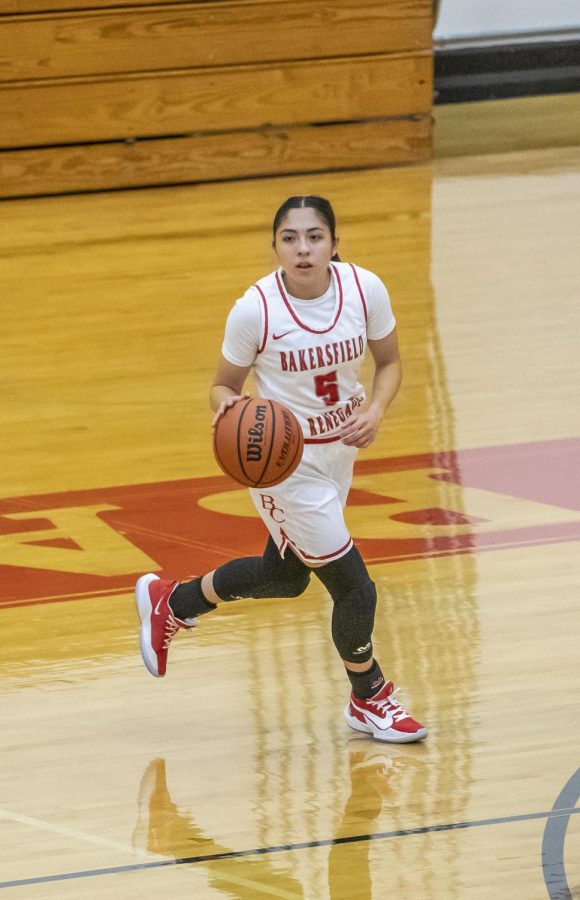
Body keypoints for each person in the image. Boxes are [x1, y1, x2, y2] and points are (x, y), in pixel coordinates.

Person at [135, 195, 428, 744]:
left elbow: (389, 363)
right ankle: (369, 697)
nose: (303, 248)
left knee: (286, 577)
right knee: (355, 589)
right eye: (290, 238)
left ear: (335, 244)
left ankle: (170, 602)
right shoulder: (256, 310)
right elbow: (223, 384)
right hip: (285, 466)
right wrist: (227, 406)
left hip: (339, 451)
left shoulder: (366, 289)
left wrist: (376, 411)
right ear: (275, 247)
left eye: (315, 237)